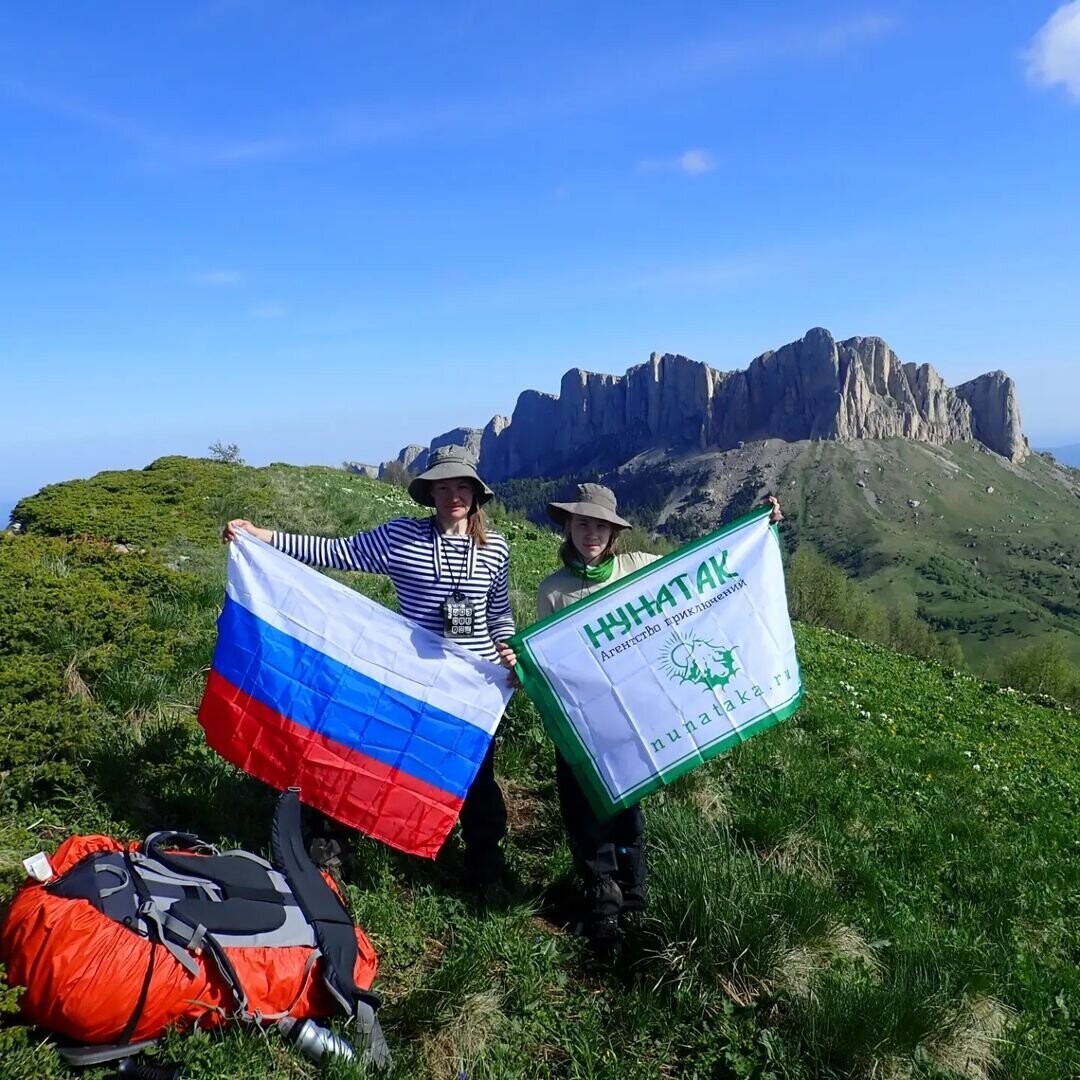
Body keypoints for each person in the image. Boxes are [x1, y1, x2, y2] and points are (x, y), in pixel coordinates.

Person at [223, 445, 517, 891]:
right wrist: (262, 537)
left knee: (475, 775)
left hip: (472, 687)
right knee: (365, 757)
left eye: (462, 487)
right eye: (443, 487)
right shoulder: (401, 538)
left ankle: (484, 862)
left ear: (476, 495)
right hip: (409, 682)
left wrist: (508, 649)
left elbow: (499, 613)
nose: (453, 495)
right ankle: (332, 847)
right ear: (430, 494)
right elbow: (337, 551)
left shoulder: (495, 549)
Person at [528, 483, 782, 956]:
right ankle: (602, 907)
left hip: (633, 726)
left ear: (613, 532)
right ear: (568, 526)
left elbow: (699, 571)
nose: (591, 534)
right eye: (583, 523)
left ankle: (634, 904)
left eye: (600, 526)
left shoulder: (638, 568)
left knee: (628, 818)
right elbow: (548, 662)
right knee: (585, 819)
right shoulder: (552, 590)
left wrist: (753, 524)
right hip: (584, 729)